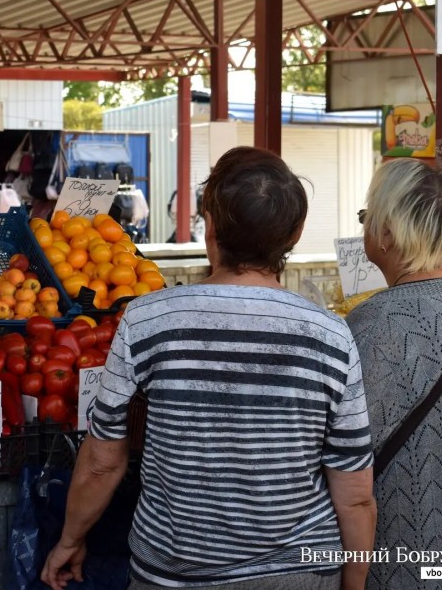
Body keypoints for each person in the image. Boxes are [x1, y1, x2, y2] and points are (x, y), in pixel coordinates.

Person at [41, 146, 377, 590]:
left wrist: (70, 538)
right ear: (294, 234)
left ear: (210, 224)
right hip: (297, 574)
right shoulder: (332, 336)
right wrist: (353, 584)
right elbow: (355, 496)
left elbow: (103, 463)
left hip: (174, 575)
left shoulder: (146, 319)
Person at [346, 158, 442, 589]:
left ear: (389, 232)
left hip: (403, 554)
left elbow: (345, 460)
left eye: (367, 217)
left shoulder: (374, 323)